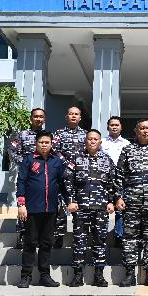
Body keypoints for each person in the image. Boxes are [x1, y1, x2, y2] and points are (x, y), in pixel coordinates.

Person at [114, 119, 148, 287]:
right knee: (129, 238)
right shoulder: (127, 150)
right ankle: (130, 273)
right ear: (136, 131)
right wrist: (118, 197)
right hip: (131, 202)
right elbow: (119, 176)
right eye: (142, 128)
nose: (145, 131)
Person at [15, 131, 71, 288]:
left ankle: (45, 276)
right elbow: (21, 182)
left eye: (47, 142)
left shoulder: (57, 162)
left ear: (51, 143)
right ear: (36, 144)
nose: (44, 144)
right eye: (41, 142)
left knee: (46, 243)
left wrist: (69, 201)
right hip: (32, 209)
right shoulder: (29, 159)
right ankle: (25, 276)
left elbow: (62, 184)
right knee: (30, 242)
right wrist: (21, 205)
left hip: (51, 209)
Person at [68, 129, 116, 287]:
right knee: (79, 242)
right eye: (89, 139)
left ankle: (99, 275)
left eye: (95, 139)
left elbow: (113, 183)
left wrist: (111, 201)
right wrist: (71, 201)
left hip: (101, 208)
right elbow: (68, 182)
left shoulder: (107, 160)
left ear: (100, 142)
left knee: (100, 242)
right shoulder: (76, 159)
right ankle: (77, 275)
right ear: (85, 141)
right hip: (81, 208)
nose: (92, 141)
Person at [7, 107, 46, 249]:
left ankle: (40, 237)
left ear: (44, 119)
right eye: (36, 116)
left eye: (41, 116)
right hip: (27, 177)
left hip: (44, 178)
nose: (38, 119)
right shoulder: (22, 135)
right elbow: (12, 151)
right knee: (24, 206)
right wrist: (26, 165)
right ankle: (23, 236)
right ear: (31, 118)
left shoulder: (48, 136)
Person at [53, 106, 87, 249]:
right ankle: (58, 237)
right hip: (63, 176)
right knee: (61, 208)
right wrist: (68, 164)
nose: (73, 116)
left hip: (80, 177)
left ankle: (78, 239)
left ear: (80, 117)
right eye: (71, 114)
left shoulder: (86, 134)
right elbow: (54, 150)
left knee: (78, 208)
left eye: (76, 114)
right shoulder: (58, 133)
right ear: (67, 116)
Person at [101, 116, 130, 248]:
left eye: (117, 125)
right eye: (112, 125)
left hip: (121, 180)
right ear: (108, 127)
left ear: (121, 127)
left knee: (119, 208)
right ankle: (102, 236)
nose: (114, 127)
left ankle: (119, 236)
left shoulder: (126, 144)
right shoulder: (101, 142)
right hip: (104, 179)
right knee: (105, 207)